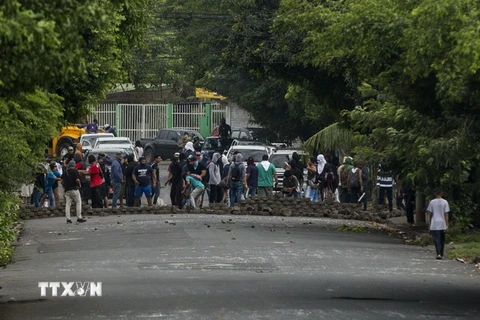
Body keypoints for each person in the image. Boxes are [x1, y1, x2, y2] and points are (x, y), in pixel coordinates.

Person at [426, 188, 450, 260]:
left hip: (435, 222)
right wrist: (447, 224)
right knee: (442, 239)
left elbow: (430, 214)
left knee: (436, 238)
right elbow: (446, 214)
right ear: (442, 193)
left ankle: (438, 253)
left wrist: (430, 222)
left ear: (435, 194)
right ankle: (441, 253)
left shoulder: (432, 202)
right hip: (442, 223)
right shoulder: (445, 202)